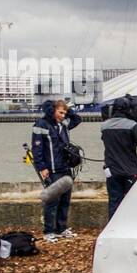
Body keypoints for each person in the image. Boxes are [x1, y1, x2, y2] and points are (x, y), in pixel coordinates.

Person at [31, 98, 82, 242]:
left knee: (65, 199)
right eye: (60, 112)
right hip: (52, 169)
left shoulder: (64, 124)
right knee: (52, 201)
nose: (63, 115)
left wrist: (68, 109)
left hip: (65, 167)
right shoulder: (41, 125)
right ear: (52, 110)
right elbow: (37, 148)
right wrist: (42, 167)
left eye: (65, 113)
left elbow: (77, 119)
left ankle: (61, 228)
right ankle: (49, 231)